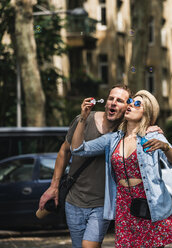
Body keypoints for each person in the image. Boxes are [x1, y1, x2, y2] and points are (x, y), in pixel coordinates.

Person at [71, 90, 172, 248]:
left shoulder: (153, 136)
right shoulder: (113, 140)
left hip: (149, 203)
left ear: (147, 112)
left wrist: (166, 147)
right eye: (131, 101)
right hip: (123, 204)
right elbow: (78, 149)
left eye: (137, 104)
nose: (131, 105)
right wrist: (83, 118)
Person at [38, 85, 132, 248]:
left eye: (119, 100)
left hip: (102, 204)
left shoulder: (125, 132)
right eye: (111, 98)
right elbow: (64, 152)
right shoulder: (85, 120)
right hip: (74, 200)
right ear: (106, 102)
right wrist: (54, 186)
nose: (113, 103)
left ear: (126, 107)